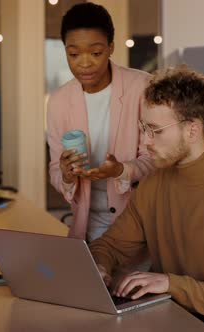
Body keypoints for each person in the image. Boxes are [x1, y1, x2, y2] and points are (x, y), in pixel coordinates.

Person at [89, 67, 204, 332]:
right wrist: (100, 267)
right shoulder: (154, 182)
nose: (146, 141)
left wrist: (169, 284)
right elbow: (111, 246)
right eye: (143, 128)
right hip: (166, 317)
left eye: (156, 130)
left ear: (193, 130)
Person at [47, 3, 153, 241]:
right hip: (87, 228)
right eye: (73, 54)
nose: (84, 63)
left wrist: (121, 170)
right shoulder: (58, 101)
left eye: (95, 53)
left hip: (139, 226)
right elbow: (55, 168)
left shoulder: (142, 87)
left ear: (110, 48)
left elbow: (157, 158)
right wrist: (64, 174)